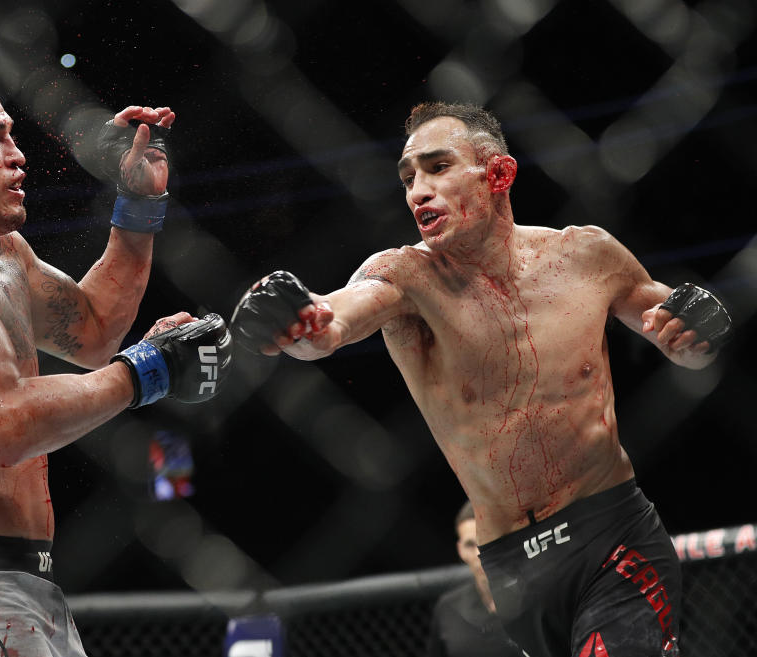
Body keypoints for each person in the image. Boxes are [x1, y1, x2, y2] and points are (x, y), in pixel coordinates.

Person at [230, 101, 732, 656]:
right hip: (512, 571)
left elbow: (684, 340)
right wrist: (297, 321)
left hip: (612, 535)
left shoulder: (587, 255)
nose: (417, 190)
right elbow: (333, 323)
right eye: (408, 177)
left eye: (437, 167)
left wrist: (698, 335)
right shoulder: (405, 277)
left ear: (498, 173)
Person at [0, 72, 231, 657]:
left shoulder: (3, 254)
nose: (17, 157)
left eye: (12, 135)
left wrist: (139, 203)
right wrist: (148, 370)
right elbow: (3, 424)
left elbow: (92, 330)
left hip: (28, 588)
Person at [426, 500, 521, 657]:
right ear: (461, 550)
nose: (480, 553)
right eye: (470, 545)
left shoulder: (535, 601)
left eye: (487, 541)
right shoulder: (448, 608)